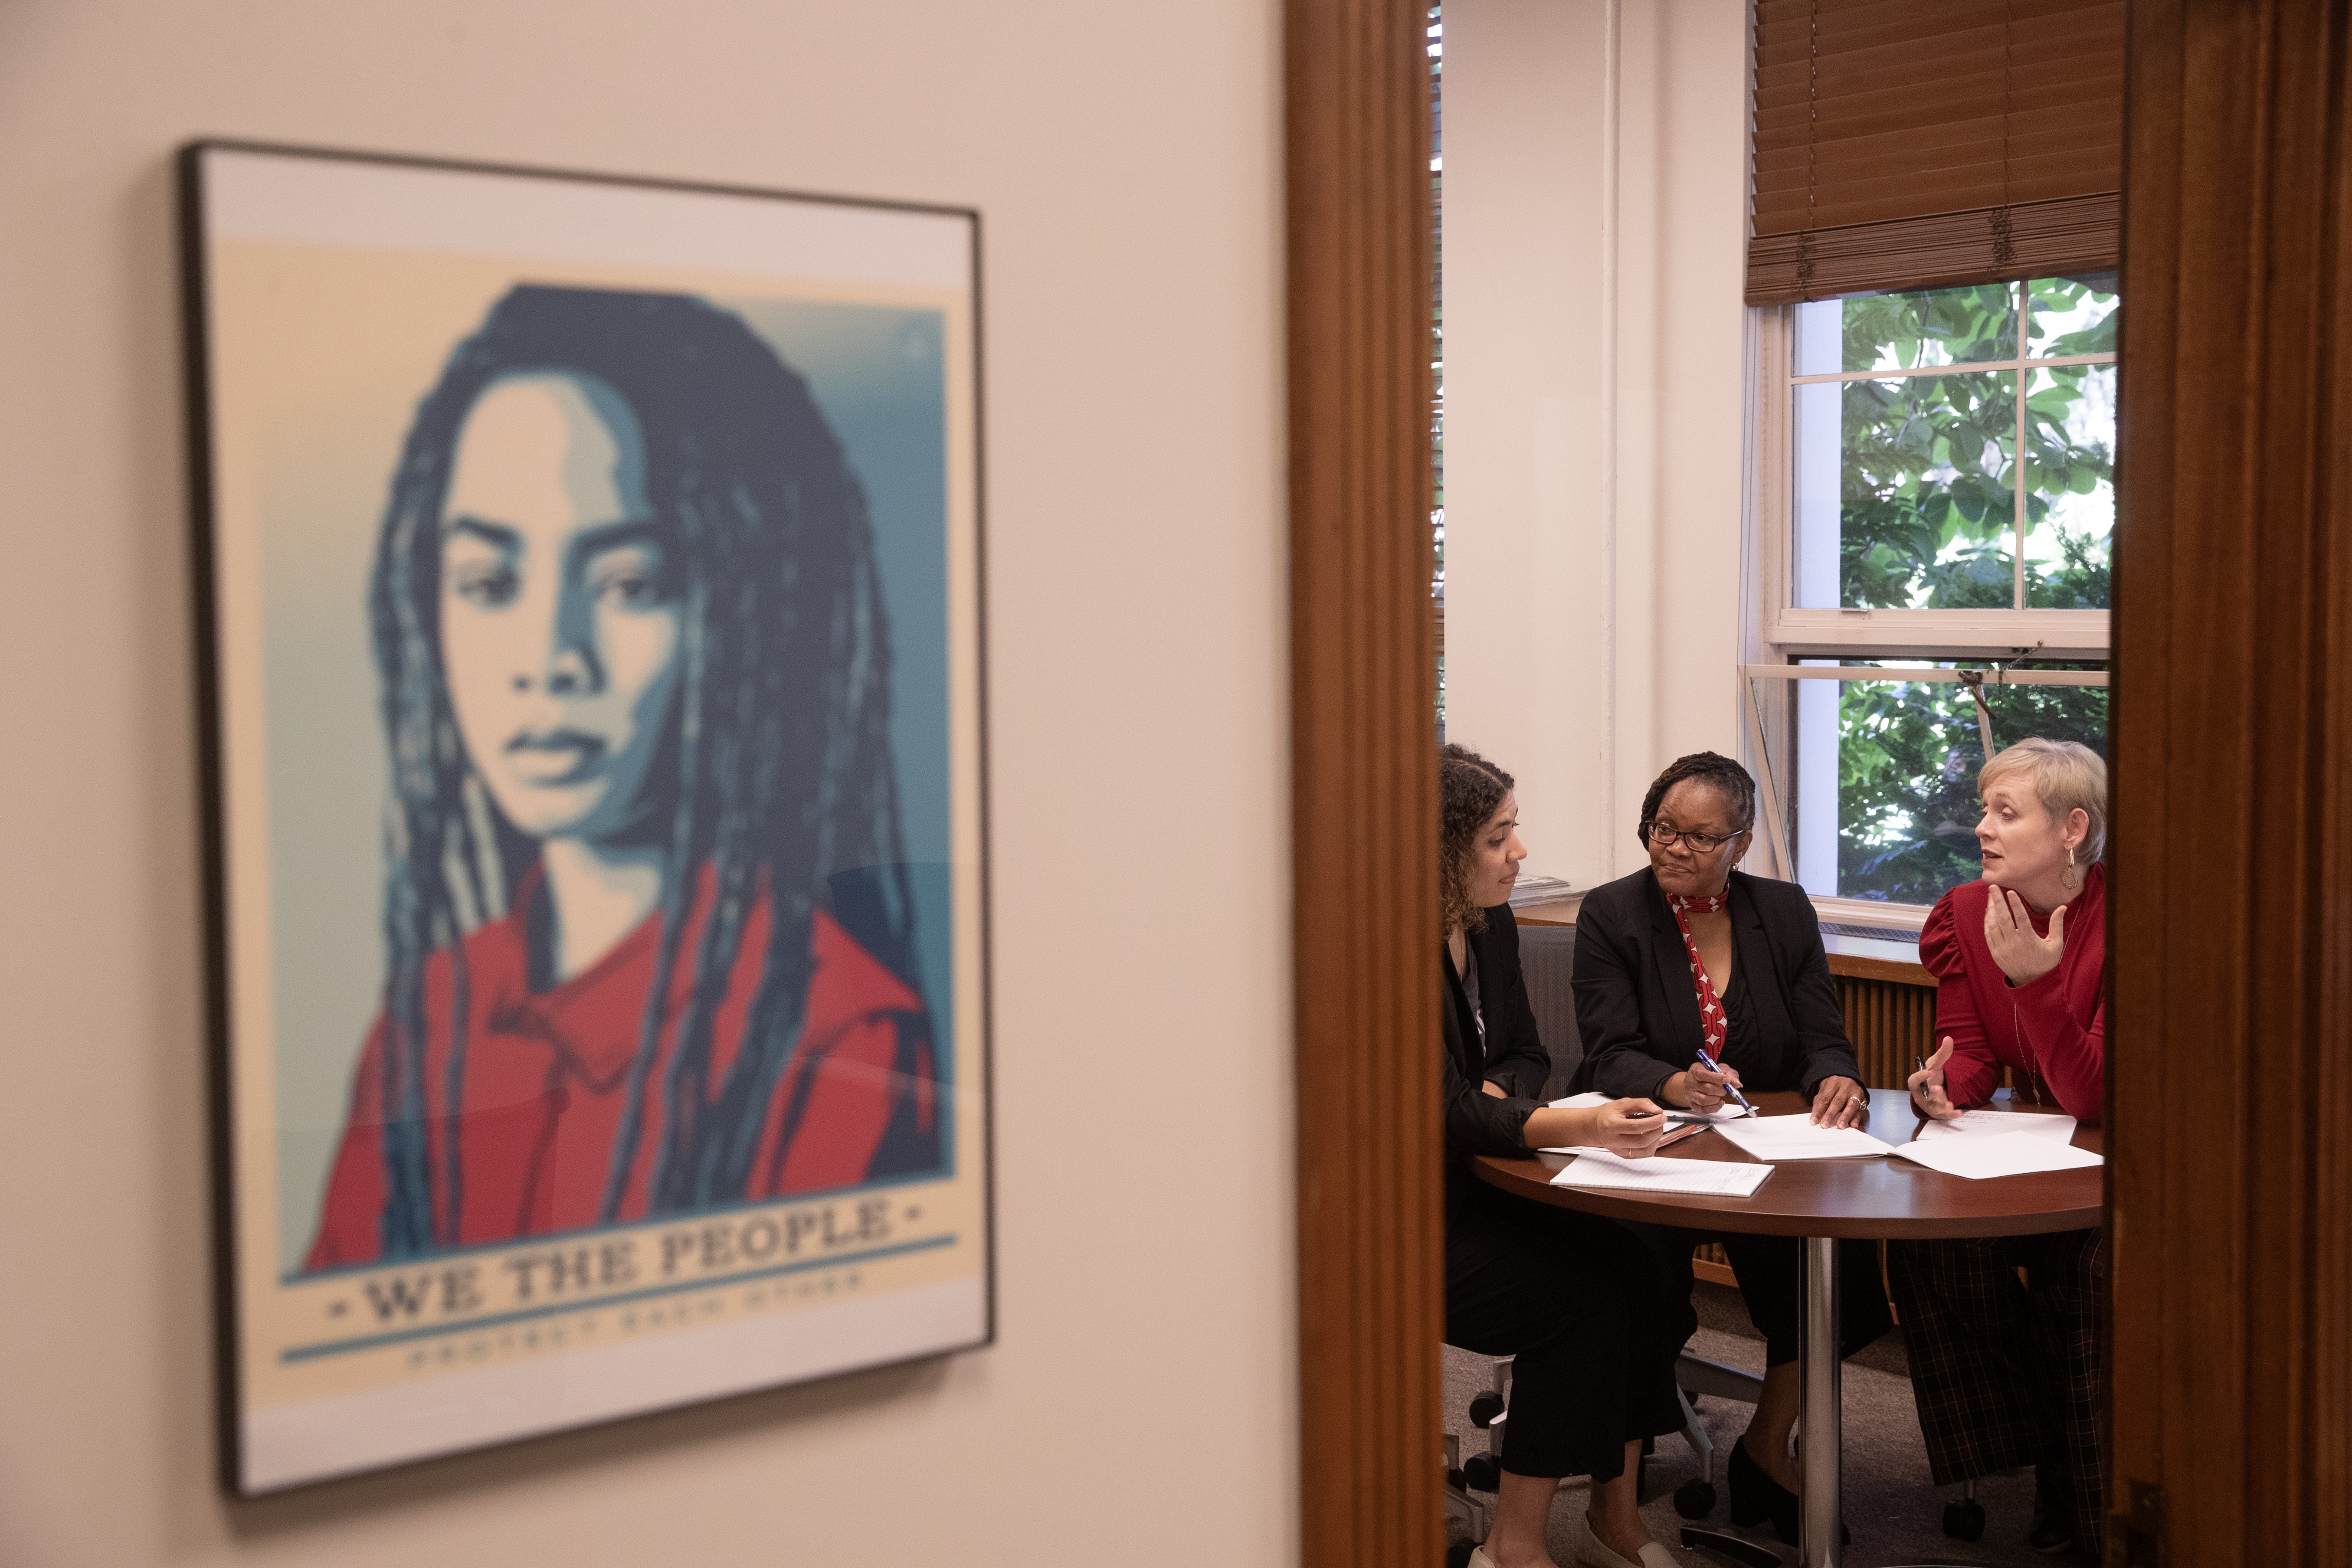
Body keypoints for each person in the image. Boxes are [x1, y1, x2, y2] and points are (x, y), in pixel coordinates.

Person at [306, 285, 938, 1269]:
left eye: (628, 585)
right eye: (488, 583)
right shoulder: (428, 1022)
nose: (548, 656)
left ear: (743, 621)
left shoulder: (833, 1030)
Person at [1568, 751, 1890, 1545]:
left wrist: (1837, 1079)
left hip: (1767, 1146)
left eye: (1698, 837)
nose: (1673, 847)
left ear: (1741, 844)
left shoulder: (1781, 913)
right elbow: (1608, 1051)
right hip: (1652, 1143)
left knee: (1834, 1266)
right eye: (1662, 829)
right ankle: (1618, 1457)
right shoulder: (1612, 914)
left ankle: (1764, 1447)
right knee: (1638, 1278)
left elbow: (1822, 1035)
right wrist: (1678, 1083)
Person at [1438, 745, 1691, 1568]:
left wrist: (1496, 1103)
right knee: (1577, 1301)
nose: (1519, 854)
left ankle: (1614, 1520)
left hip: (1484, 1175)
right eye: (1497, 837)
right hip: (1413, 1213)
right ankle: (1511, 1547)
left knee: (1644, 1264)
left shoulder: (1491, 923)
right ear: (1442, 853)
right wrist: (1567, 1126)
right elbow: (1434, 1109)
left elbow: (1522, 1054)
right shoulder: (1383, 949)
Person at [1890, 738, 2109, 1556]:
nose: (1981, 828)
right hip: (2024, 1151)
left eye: (2004, 814)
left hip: (2116, 1160)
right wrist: (1944, 1086)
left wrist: (2039, 984)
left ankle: (2082, 1507)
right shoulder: (1964, 910)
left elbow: (2091, 1093)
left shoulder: (2129, 916)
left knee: (2081, 1275)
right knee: (1931, 1251)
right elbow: (1972, 1048)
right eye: (1984, 809)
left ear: (2071, 829)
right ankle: (2051, 1452)